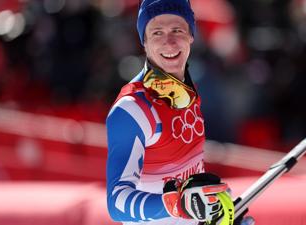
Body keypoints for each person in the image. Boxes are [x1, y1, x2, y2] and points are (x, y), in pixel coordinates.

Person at [106, 0, 254, 224]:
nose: (170, 42)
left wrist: (217, 212)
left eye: (177, 30)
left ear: (191, 36)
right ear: (143, 41)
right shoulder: (132, 109)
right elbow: (117, 203)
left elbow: (189, 185)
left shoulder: (186, 91)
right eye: (157, 33)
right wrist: (174, 205)